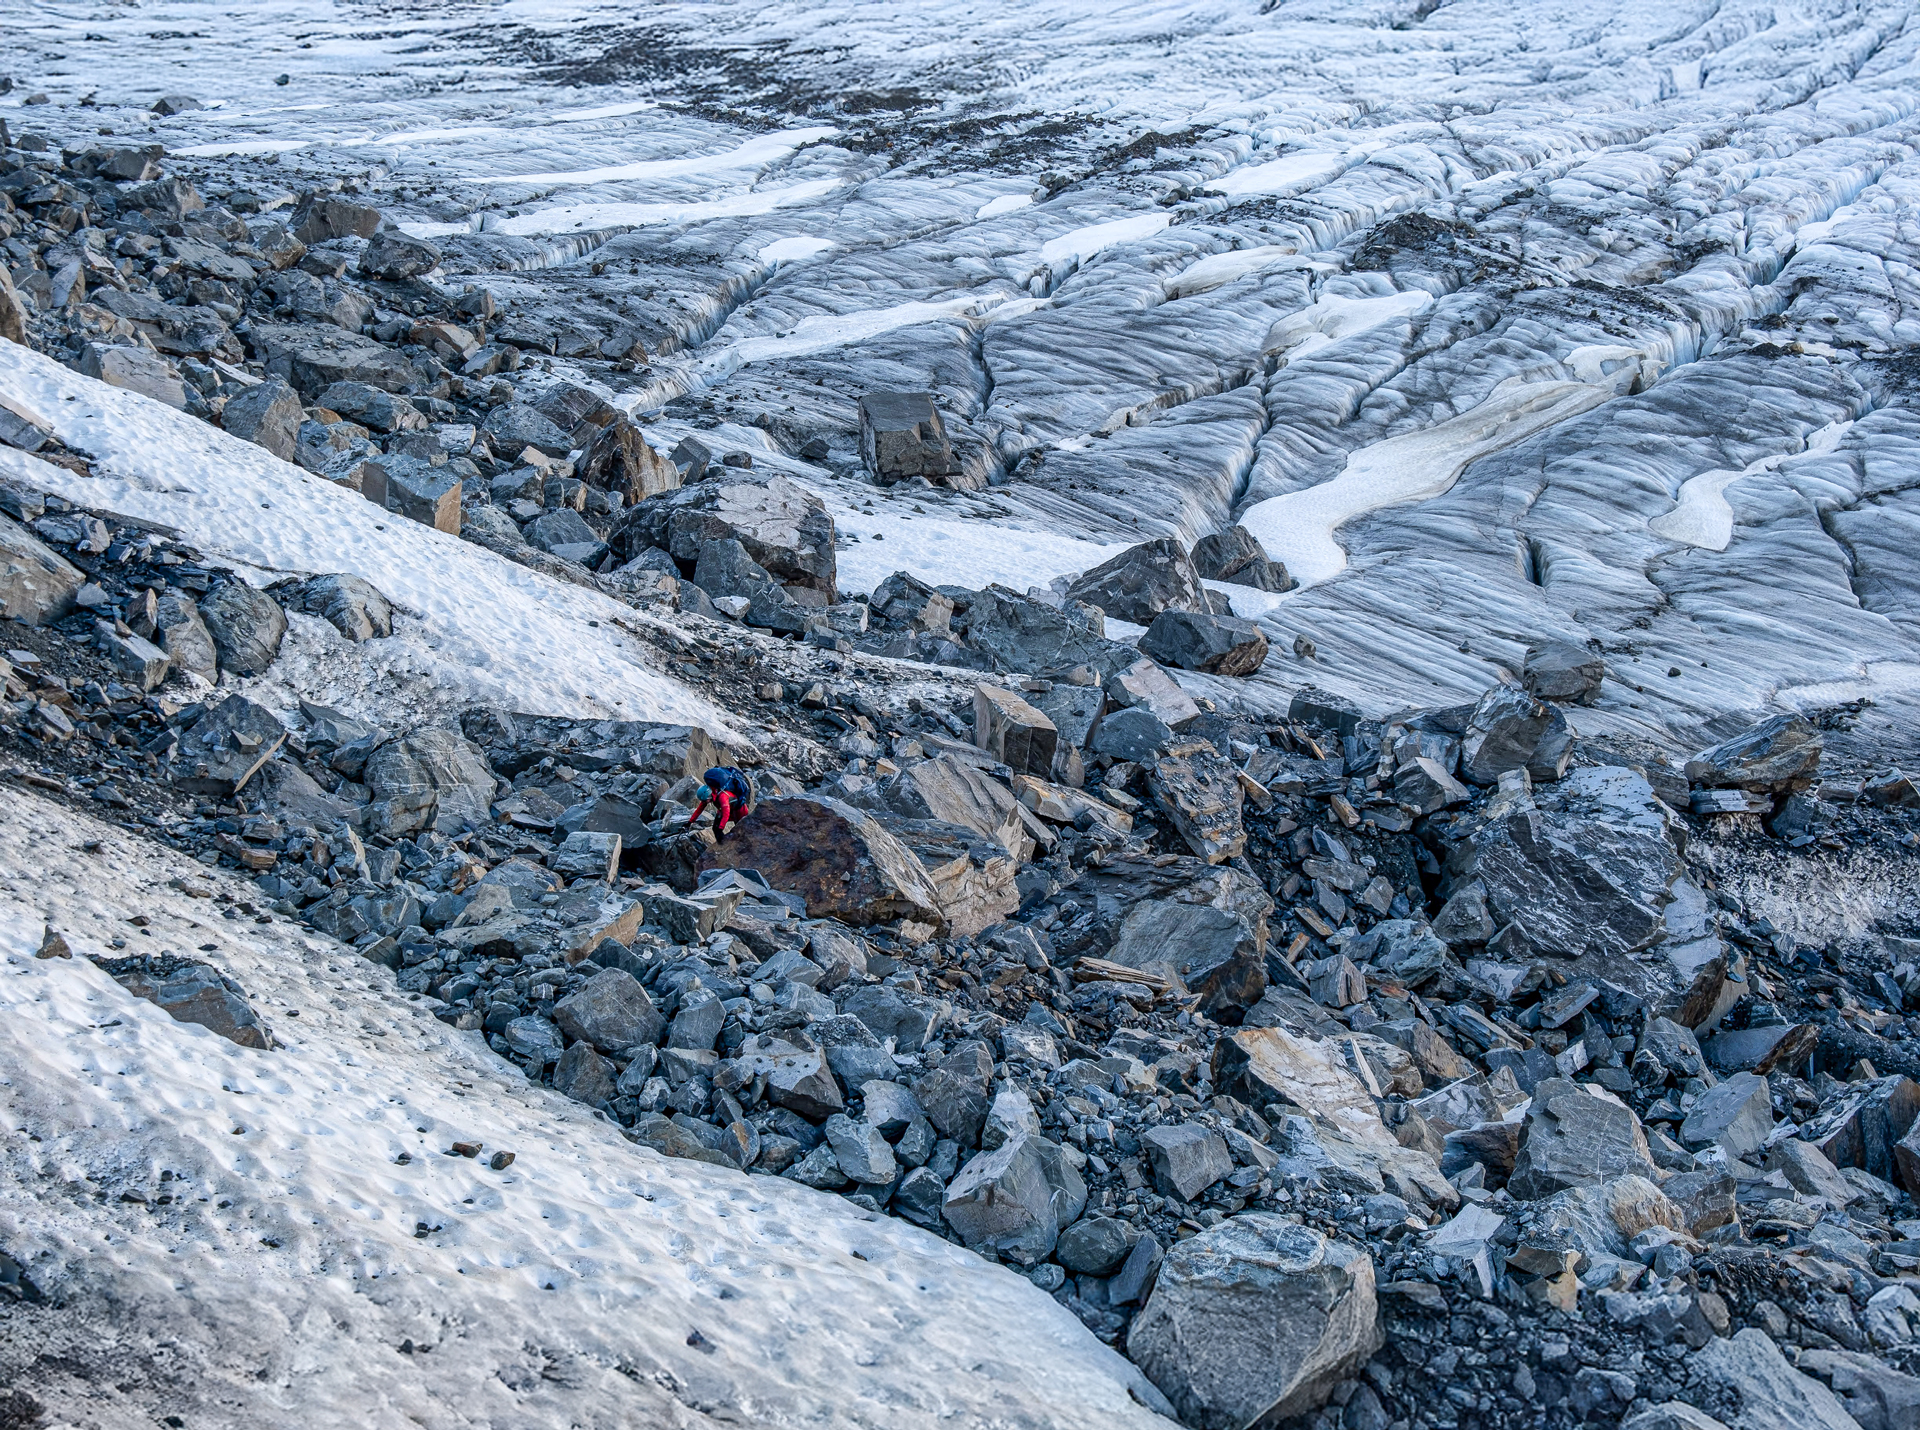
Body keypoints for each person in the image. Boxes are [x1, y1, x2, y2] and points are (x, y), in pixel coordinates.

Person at [687, 765, 754, 840]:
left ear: (708, 796)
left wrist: (721, 828)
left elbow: (726, 813)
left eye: (706, 800)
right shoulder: (710, 794)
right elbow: (699, 809)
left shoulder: (723, 796)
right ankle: (722, 847)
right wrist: (689, 823)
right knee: (715, 828)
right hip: (724, 809)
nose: (706, 802)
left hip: (738, 811)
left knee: (741, 830)